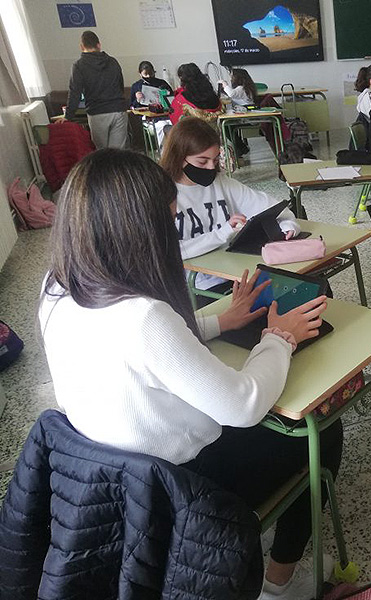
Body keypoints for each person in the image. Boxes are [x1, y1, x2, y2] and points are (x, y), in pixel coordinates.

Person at [38, 148, 339, 599]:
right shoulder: (145, 317)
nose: (172, 235)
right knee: (319, 429)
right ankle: (279, 582)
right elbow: (244, 404)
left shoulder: (56, 290)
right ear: (140, 231)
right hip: (181, 487)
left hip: (114, 483)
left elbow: (134, 348)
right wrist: (280, 337)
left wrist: (221, 322)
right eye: (169, 223)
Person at [160, 117, 299, 298]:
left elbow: (273, 208)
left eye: (216, 160)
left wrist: (287, 226)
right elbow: (167, 252)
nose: (211, 168)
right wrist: (222, 233)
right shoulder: (162, 192)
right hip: (193, 286)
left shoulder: (221, 182)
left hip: (234, 274)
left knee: (312, 288)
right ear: (178, 157)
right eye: (202, 162)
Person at [65, 31, 128, 149]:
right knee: (119, 154)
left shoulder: (79, 65)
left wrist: (68, 117)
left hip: (97, 113)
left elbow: (75, 92)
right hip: (118, 109)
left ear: (82, 47)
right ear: (99, 45)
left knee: (102, 153)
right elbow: (120, 85)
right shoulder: (113, 61)